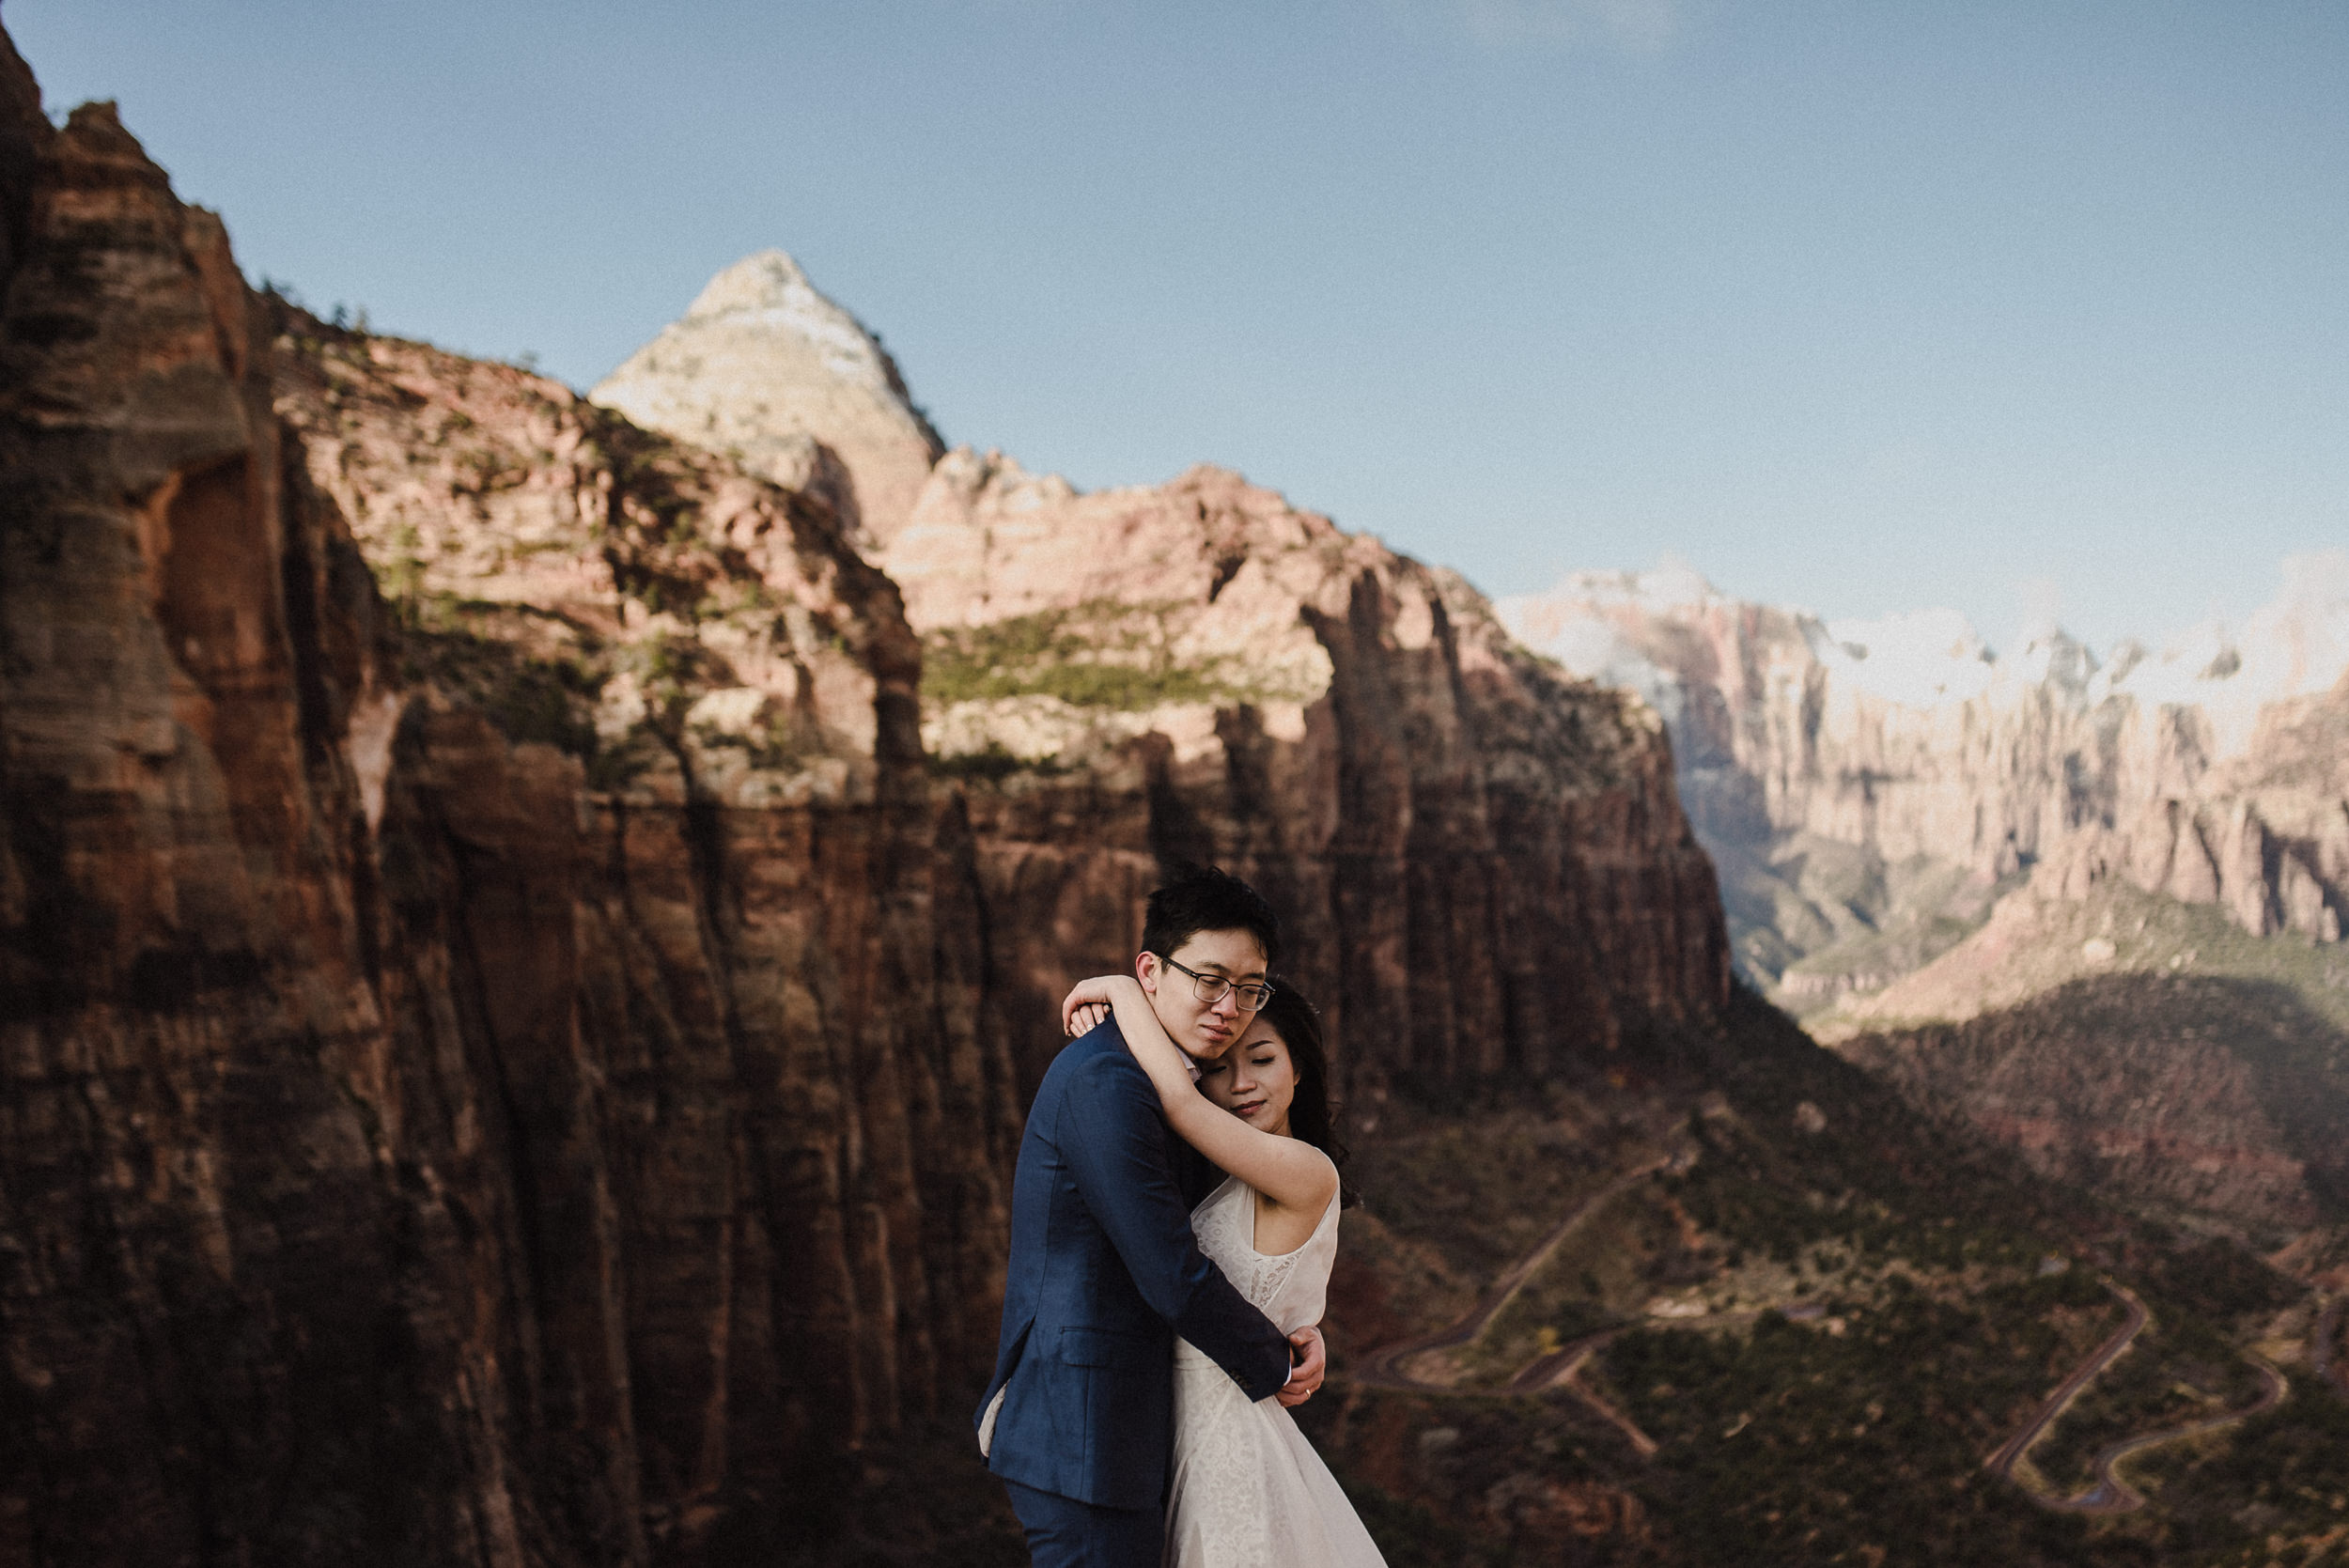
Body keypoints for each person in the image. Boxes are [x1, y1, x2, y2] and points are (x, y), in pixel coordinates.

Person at [975, 866, 1327, 1568]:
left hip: (1139, 1429)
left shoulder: (1181, 1086)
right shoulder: (1108, 1082)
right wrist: (1277, 1360)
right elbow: (1171, 1272)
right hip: (1085, 1433)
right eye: (1210, 979)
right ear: (1152, 971)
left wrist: (1299, 1323)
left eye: (1249, 987)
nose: (1230, 1005)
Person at [1057, 972, 1388, 1568]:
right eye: (1217, 1068)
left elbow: (1178, 1105)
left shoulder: (1308, 1171)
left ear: (1299, 1069)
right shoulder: (1231, 1179)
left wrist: (1124, 991)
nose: (1240, 1085)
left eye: (1262, 1059)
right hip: (1183, 1438)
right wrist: (1297, 1332)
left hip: (1232, 1448)